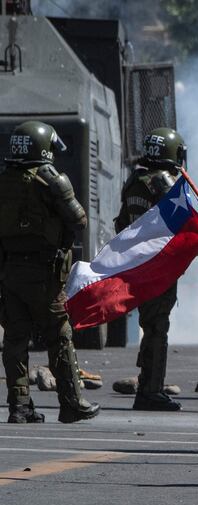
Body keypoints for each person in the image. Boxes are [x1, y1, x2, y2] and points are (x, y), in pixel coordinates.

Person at [0, 120, 100, 423]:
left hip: (9, 271)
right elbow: (79, 220)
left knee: (16, 339)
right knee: (59, 336)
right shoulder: (52, 180)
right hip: (45, 273)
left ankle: (19, 406)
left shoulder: (3, 180)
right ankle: (72, 403)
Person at [115, 127, 187, 411]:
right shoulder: (164, 183)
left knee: (150, 325)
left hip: (140, 263)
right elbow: (181, 224)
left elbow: (121, 224)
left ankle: (147, 385)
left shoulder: (134, 181)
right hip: (158, 265)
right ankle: (151, 391)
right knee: (157, 328)